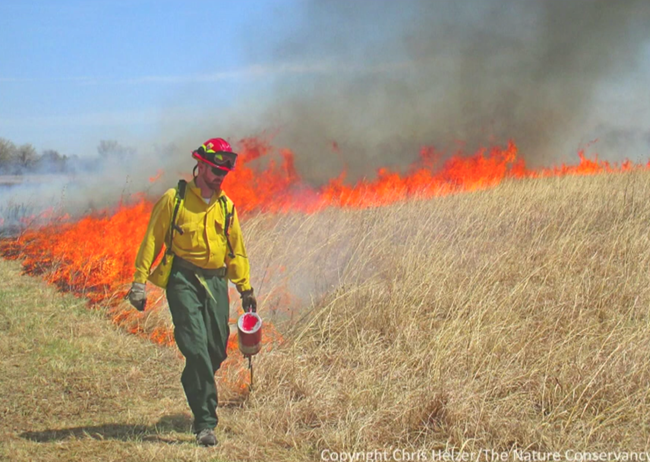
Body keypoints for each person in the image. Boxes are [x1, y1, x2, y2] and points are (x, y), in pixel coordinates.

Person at [127, 137, 257, 447]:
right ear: (199, 166)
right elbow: (151, 241)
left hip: (216, 283)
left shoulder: (226, 207)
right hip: (182, 280)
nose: (219, 177)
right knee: (196, 347)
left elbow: (236, 252)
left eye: (223, 173)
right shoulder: (174, 199)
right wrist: (138, 281)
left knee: (216, 349)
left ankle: (194, 380)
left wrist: (245, 288)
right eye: (214, 170)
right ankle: (205, 422)